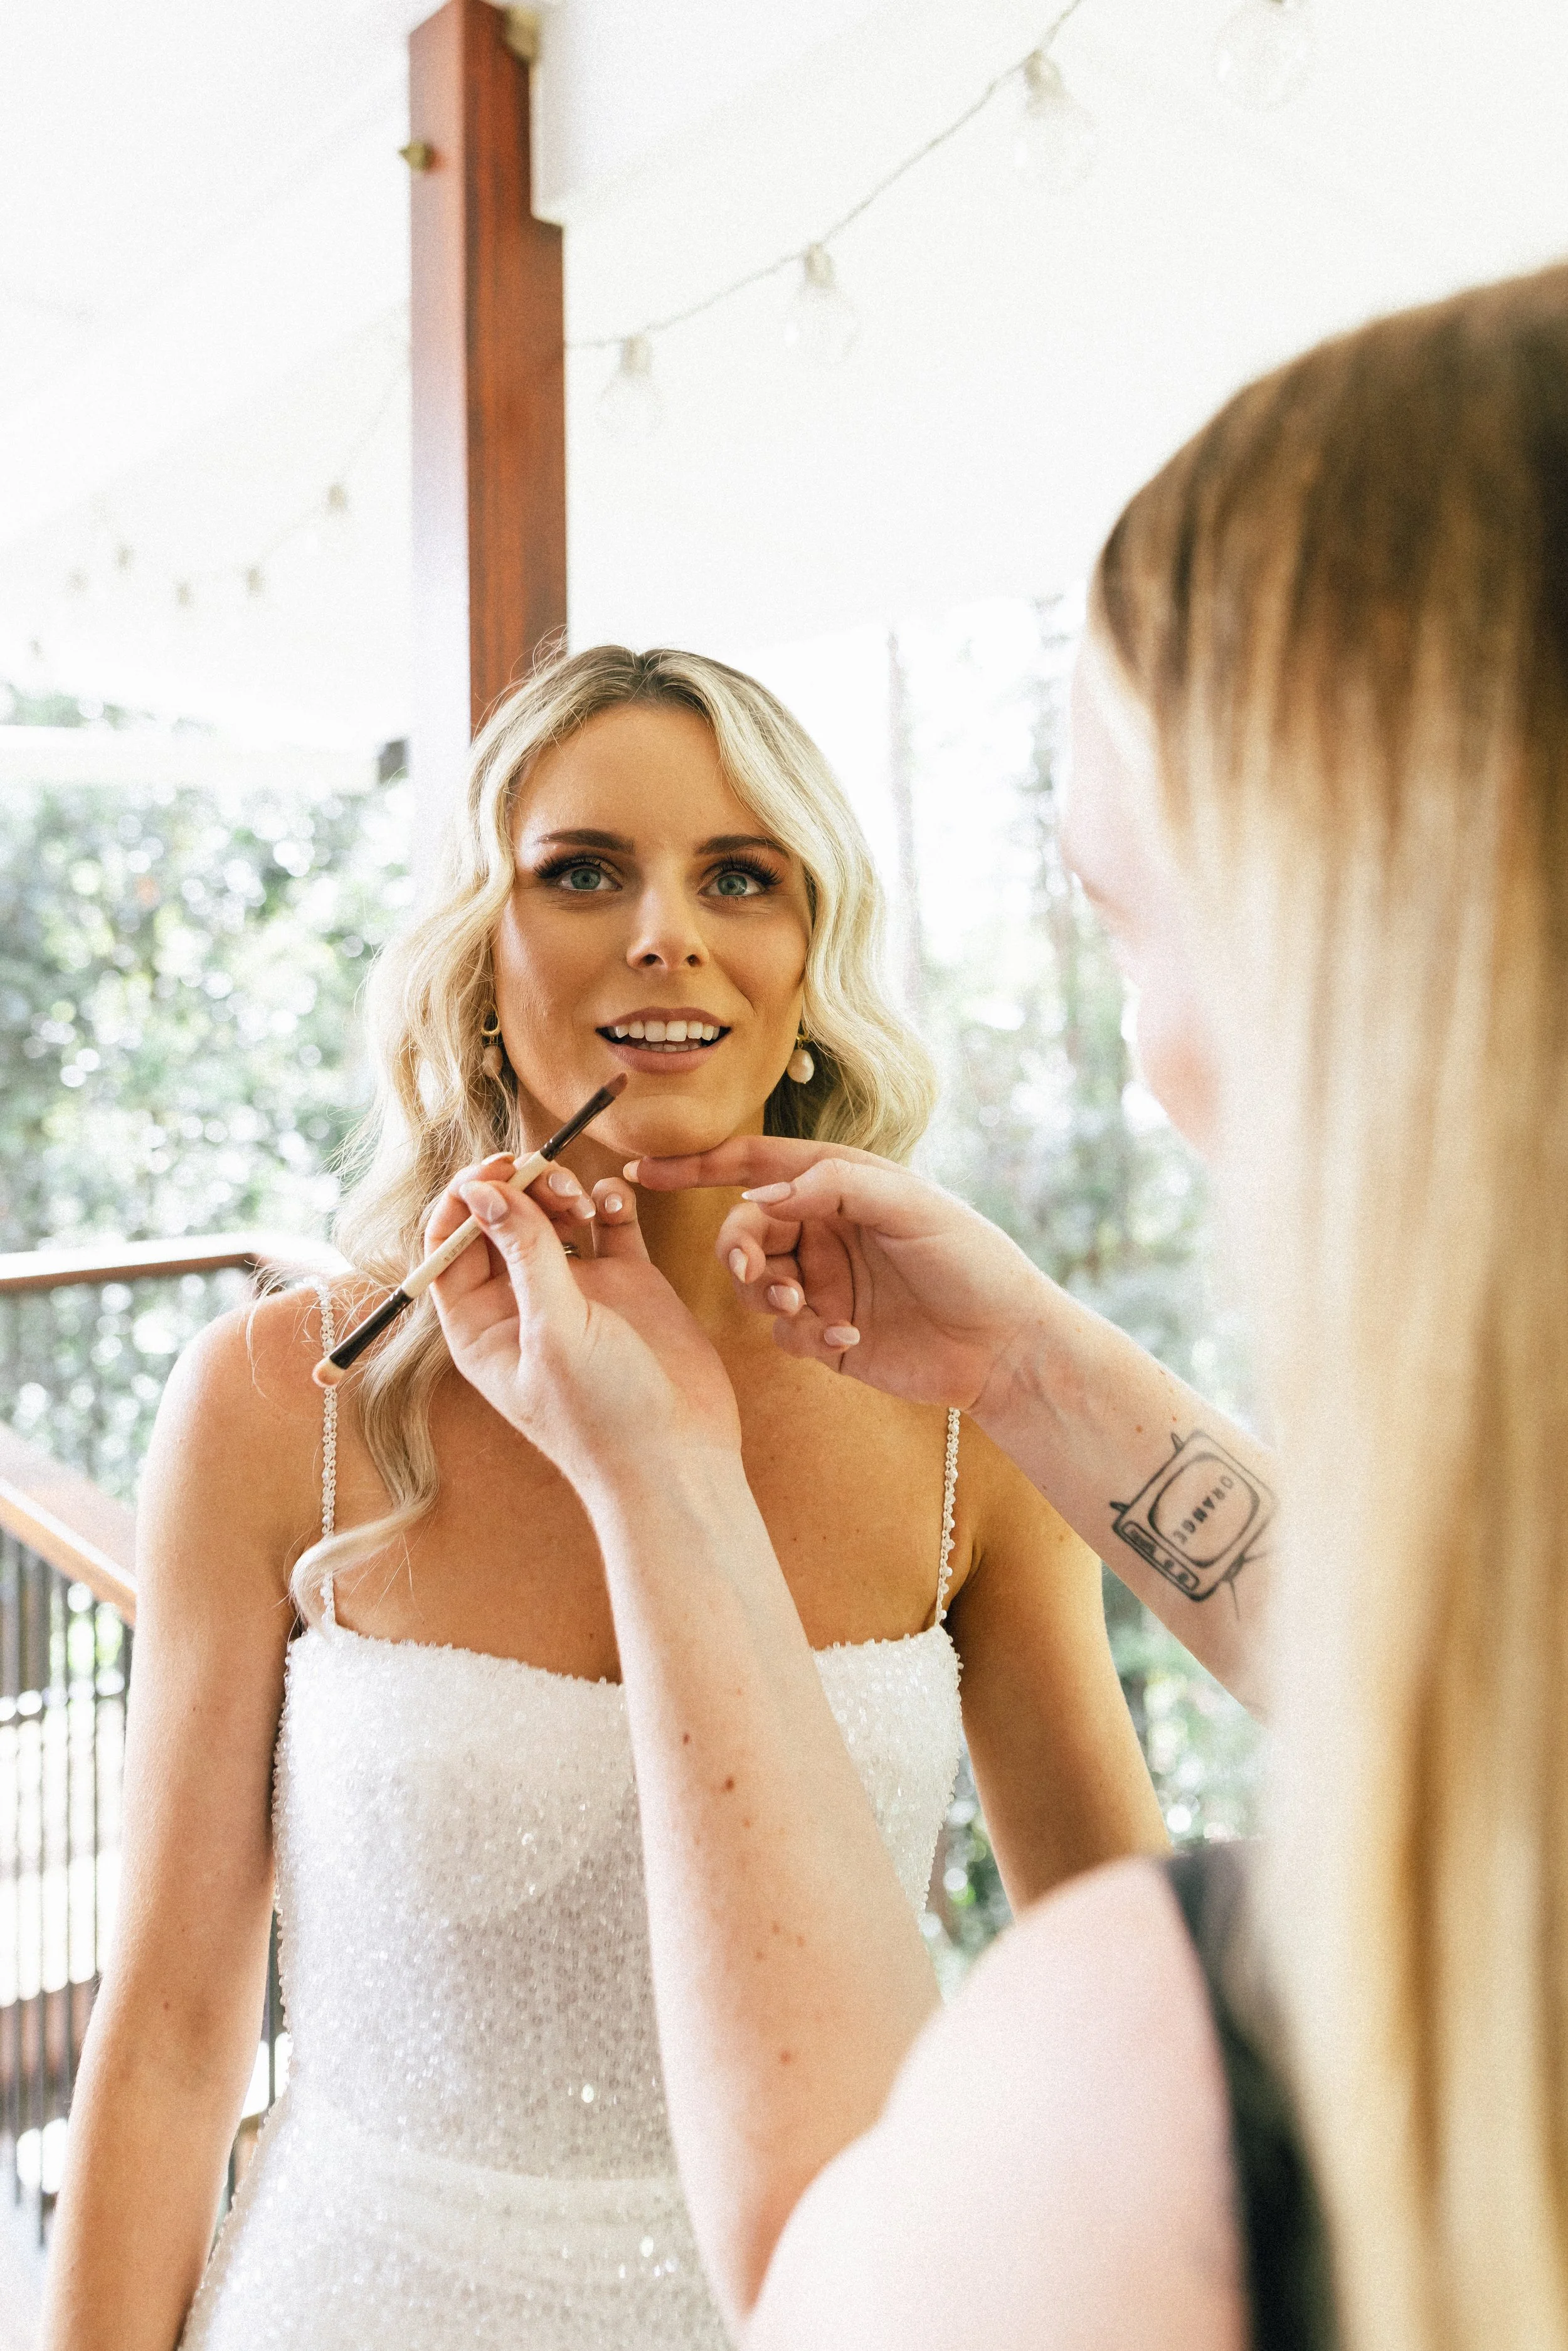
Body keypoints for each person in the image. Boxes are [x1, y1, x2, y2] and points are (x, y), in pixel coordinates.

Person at [417, 262, 1568, 2351]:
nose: (1152, 1063)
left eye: (1131, 922)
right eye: (581, 870)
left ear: (1361, 955)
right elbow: (1494, 1697)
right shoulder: (276, 1398)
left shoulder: (1184, 2063)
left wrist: (665, 1477)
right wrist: (1035, 1362)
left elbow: (830, 2271)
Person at [43, 647, 1170, 2351]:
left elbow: (1124, 2002)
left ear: (811, 957)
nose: (666, 934)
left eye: (741, 876)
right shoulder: (281, 1404)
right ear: (478, 950)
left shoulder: (961, 1412)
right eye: (581, 872)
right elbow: (170, 2035)